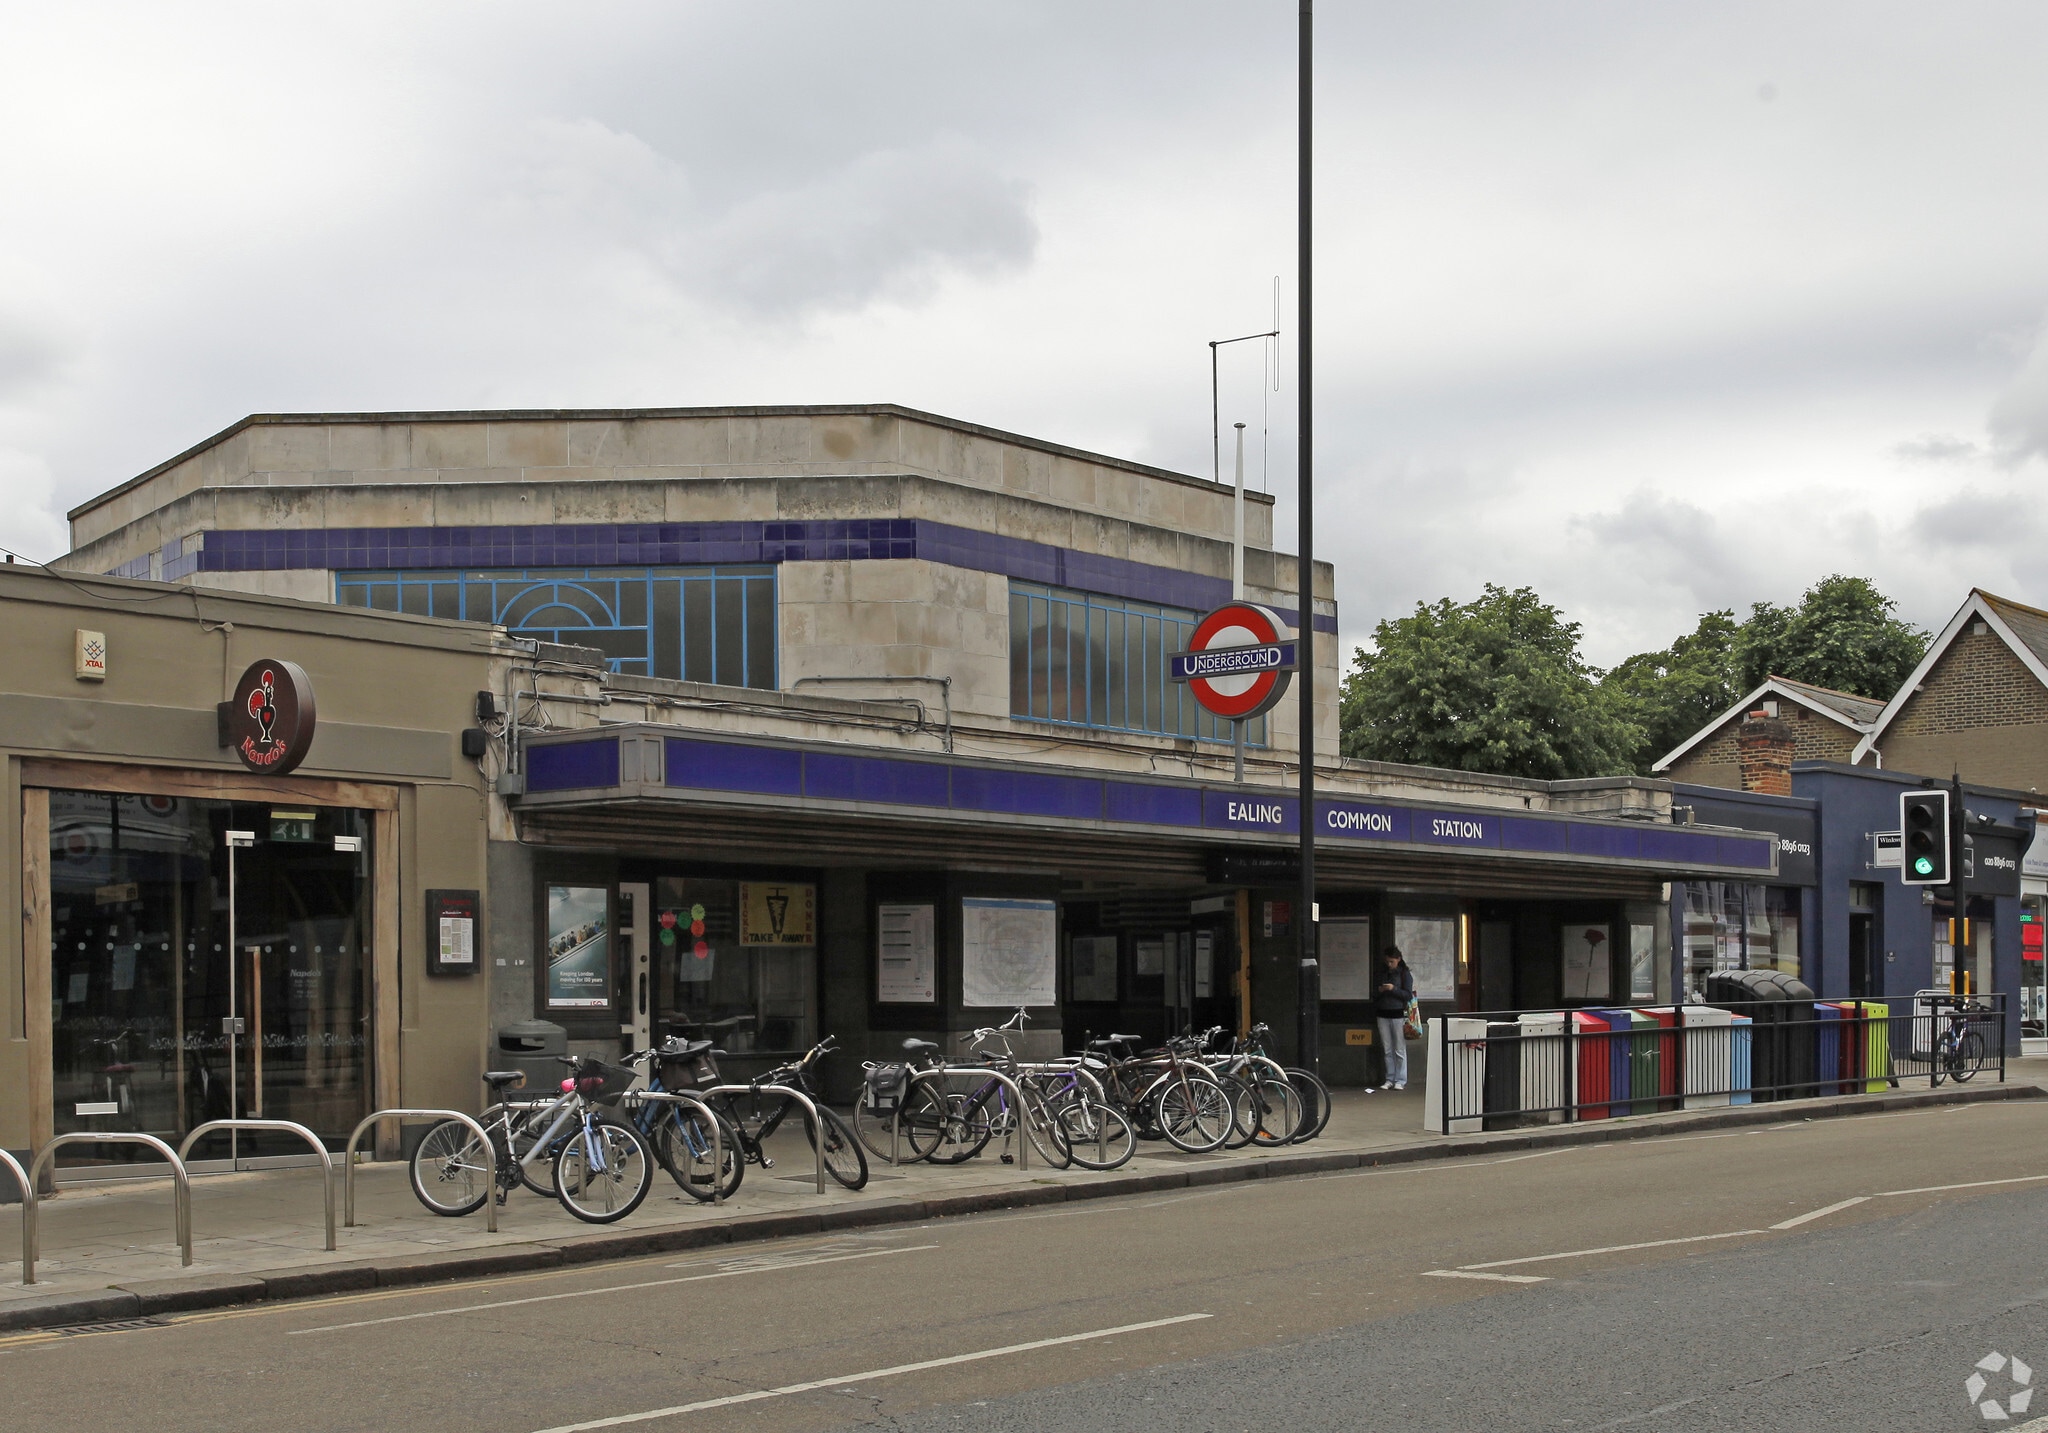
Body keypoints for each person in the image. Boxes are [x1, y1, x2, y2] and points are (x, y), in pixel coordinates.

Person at [1372, 946, 1415, 1090]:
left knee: (1399, 1048)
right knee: (1387, 1048)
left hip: (1398, 1013)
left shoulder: (1404, 974)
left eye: (1392, 962)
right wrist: (1380, 990)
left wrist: (1393, 989)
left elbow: (1408, 995)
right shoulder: (1382, 973)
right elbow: (1374, 993)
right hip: (1382, 1012)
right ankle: (1389, 1078)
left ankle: (1400, 1079)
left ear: (1398, 959)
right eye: (1387, 962)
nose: (1389, 964)